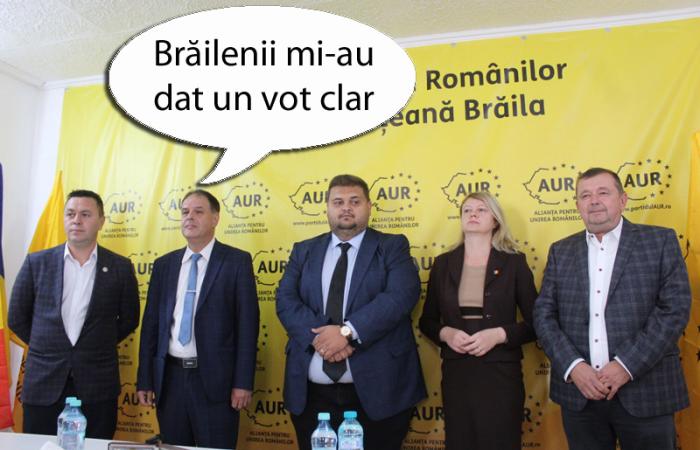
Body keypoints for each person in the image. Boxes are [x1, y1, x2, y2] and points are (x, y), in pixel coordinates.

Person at [533, 167, 691, 450]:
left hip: (645, 391)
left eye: (603, 192)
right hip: (580, 396)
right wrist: (574, 367)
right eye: (585, 195)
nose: (593, 200)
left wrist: (625, 366)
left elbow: (674, 310)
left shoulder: (659, 241)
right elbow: (544, 315)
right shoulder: (561, 251)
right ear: (577, 205)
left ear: (623, 200)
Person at [276, 174, 426, 450]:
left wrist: (346, 332)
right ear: (327, 208)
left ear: (369, 206)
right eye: (338, 202)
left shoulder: (392, 246)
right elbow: (286, 300)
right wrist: (322, 339)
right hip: (312, 396)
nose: (346, 207)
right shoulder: (304, 250)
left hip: (380, 393)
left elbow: (401, 296)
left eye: (354, 201)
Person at [9, 189, 139, 438]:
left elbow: (129, 319)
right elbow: (17, 317)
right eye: (70, 214)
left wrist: (96, 343)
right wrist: (47, 344)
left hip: (97, 385)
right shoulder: (37, 263)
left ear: (101, 221)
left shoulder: (120, 268)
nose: (76, 220)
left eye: (85, 214)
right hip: (44, 381)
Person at [136, 189, 259, 449]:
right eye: (185, 212)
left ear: (215, 218)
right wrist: (145, 378)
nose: (189, 217)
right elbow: (151, 327)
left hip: (216, 382)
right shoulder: (164, 265)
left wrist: (242, 383)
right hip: (170, 379)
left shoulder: (236, 262)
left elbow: (247, 328)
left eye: (198, 211)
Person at [418, 191, 537, 450]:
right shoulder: (442, 264)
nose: (473, 214)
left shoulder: (514, 263)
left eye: (481, 210)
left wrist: (499, 335)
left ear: (495, 220)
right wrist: (446, 334)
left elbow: (537, 323)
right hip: (457, 373)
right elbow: (427, 321)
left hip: (500, 373)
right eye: (467, 210)